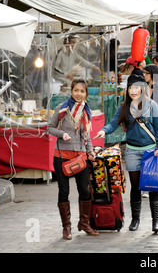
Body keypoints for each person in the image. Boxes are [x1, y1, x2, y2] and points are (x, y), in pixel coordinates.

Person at [95, 74, 158, 233]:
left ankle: (156, 221)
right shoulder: (123, 107)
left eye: (136, 88)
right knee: (136, 187)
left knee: (153, 186)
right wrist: (103, 131)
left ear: (142, 88)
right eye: (130, 88)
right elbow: (113, 124)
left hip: (150, 151)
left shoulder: (151, 105)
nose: (133, 91)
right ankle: (135, 219)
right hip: (132, 151)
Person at [47, 79, 98, 239]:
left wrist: (90, 151)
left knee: (85, 191)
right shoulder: (62, 109)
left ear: (86, 94)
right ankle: (66, 227)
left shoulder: (86, 112)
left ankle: (84, 223)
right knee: (64, 191)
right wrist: (62, 134)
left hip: (80, 158)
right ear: (71, 91)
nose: (79, 94)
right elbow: (50, 128)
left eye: (82, 91)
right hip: (61, 156)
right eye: (76, 90)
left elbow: (86, 135)